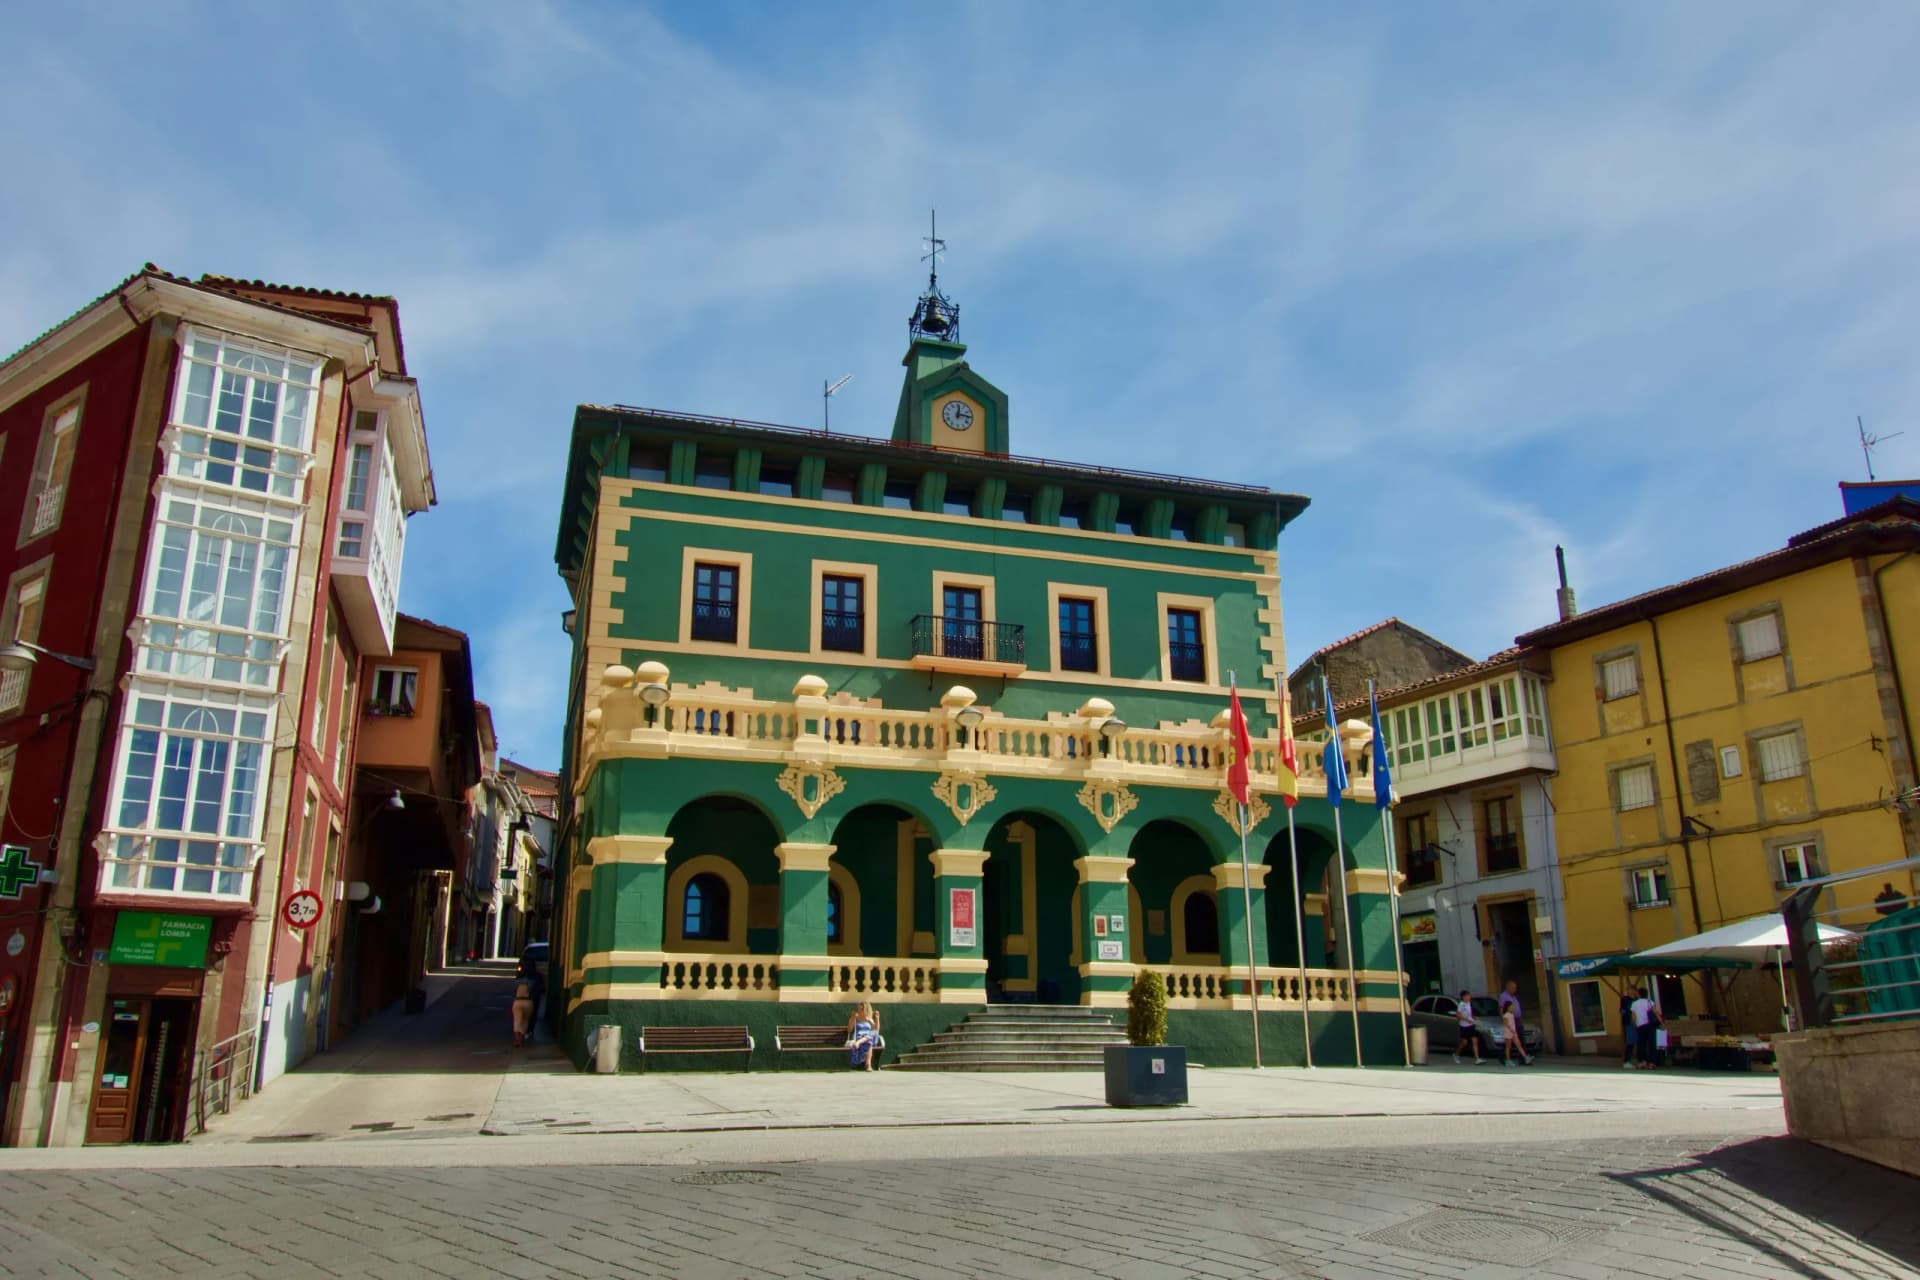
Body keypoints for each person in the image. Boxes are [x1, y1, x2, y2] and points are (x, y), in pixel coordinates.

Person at [1498, 980, 1532, 1066]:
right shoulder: (1504, 996)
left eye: (1515, 988)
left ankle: (1524, 1058)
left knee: (1520, 1040)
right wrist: (1505, 1020)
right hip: (1510, 1021)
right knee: (1510, 1043)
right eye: (1513, 988)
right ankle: (1504, 1057)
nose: (1515, 989)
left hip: (1516, 1019)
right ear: (1508, 987)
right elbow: (1502, 1008)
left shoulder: (1513, 997)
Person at [1451, 989, 1487, 1064]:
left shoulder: (1469, 1003)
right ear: (1464, 997)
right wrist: (1466, 1019)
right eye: (1467, 996)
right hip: (1464, 1026)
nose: (1469, 997)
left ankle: (1477, 1059)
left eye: (1469, 995)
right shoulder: (1461, 1004)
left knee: (1475, 1040)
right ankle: (1456, 1054)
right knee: (1464, 1042)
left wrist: (1473, 1018)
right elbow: (1458, 1015)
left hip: (1471, 1025)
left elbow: (1470, 1014)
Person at [510, 959, 540, 1048]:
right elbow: (536, 992)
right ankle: (522, 1038)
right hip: (528, 1002)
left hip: (518, 1001)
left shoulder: (517, 980)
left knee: (517, 1021)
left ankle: (517, 1040)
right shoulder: (533, 980)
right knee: (525, 1020)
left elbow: (514, 991)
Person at [846, 1001, 882, 1071]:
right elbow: (849, 1030)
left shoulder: (869, 1019)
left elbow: (876, 1031)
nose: (859, 1011)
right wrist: (853, 1018)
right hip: (859, 1037)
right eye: (859, 1009)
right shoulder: (855, 1018)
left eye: (862, 1009)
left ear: (866, 1010)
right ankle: (868, 1065)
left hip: (868, 1037)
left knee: (871, 1035)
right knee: (869, 1042)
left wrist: (877, 1019)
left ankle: (859, 1042)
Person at [1629, 987, 1657, 1069]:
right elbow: (1655, 1012)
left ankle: (1642, 1062)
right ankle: (1652, 1063)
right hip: (1650, 1025)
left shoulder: (1635, 1003)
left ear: (1638, 994)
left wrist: (1634, 1024)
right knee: (1651, 1044)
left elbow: (1633, 1016)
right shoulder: (1650, 1002)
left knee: (1641, 1044)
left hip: (1640, 1025)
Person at [1620, 988, 1640, 1068]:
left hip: (1638, 1022)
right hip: (1630, 1022)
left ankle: (1640, 1060)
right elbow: (1623, 1010)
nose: (1630, 991)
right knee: (1630, 1042)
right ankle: (1626, 1061)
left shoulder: (1637, 999)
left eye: (1632, 990)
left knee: (1638, 1042)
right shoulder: (1625, 999)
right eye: (1629, 990)